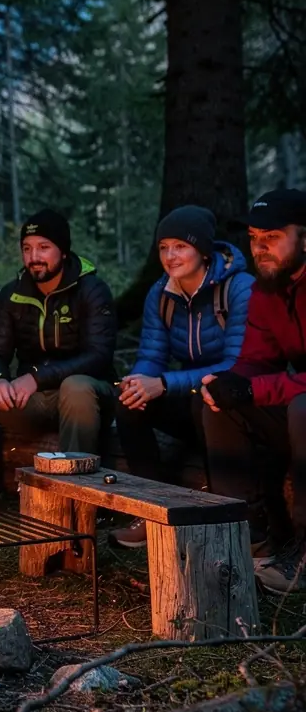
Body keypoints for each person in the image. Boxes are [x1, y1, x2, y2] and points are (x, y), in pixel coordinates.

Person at [109, 206, 253, 548]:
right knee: (129, 404)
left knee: (205, 402)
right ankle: (150, 512)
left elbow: (236, 364)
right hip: (188, 393)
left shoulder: (239, 288)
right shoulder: (161, 294)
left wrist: (162, 384)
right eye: (163, 247)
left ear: (203, 250)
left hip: (235, 399)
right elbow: (152, 355)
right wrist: (140, 381)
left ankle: (221, 519)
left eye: (180, 246)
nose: (170, 256)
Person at [0, 209, 117, 492]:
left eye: (44, 247)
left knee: (76, 387)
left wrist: (36, 378)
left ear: (63, 251)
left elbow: (98, 356)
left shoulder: (91, 290)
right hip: (31, 399)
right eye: (27, 249)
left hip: (86, 397)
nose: (34, 257)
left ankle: (74, 493)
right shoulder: (13, 294)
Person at [201, 188, 306, 593]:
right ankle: (249, 540)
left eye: (273, 237)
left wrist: (252, 390)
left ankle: (304, 556)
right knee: (218, 403)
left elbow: (265, 386)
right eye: (254, 238)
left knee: (302, 408)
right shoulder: (269, 288)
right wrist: (229, 383)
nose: (260, 248)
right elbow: (256, 360)